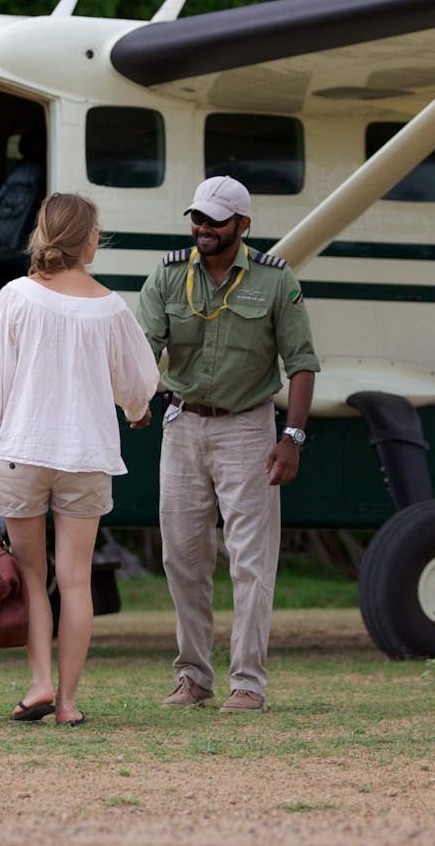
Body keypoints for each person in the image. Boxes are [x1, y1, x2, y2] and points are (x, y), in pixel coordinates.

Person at [0, 193, 158, 727]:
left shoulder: (16, 296)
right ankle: (67, 704)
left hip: (22, 453)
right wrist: (135, 411)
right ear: (88, 239)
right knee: (74, 580)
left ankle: (39, 683)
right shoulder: (112, 308)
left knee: (30, 575)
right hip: (88, 458)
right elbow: (140, 383)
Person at [135, 176, 319, 713]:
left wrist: (292, 437)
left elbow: (302, 363)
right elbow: (143, 350)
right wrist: (134, 400)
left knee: (250, 560)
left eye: (216, 220)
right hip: (183, 426)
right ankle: (193, 676)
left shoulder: (276, 280)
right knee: (182, 557)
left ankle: (248, 683)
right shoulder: (168, 276)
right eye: (198, 218)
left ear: (243, 225)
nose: (203, 229)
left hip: (248, 427)